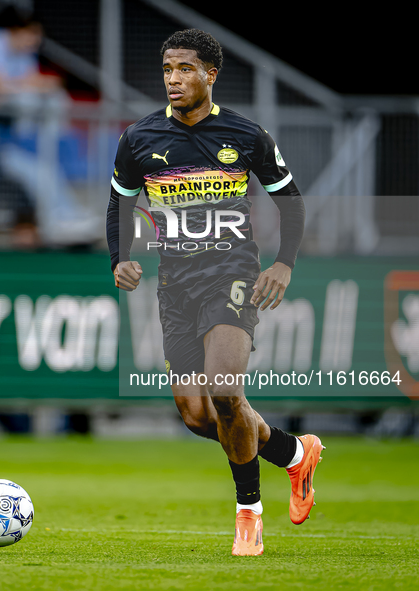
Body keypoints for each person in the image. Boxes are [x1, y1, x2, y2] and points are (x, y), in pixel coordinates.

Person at [106, 29, 324, 556]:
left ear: (210, 74)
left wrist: (283, 264)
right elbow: (119, 205)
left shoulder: (247, 136)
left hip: (232, 276)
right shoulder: (139, 139)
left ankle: (248, 514)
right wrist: (123, 257)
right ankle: (294, 454)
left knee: (226, 392)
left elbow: (291, 203)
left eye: (184, 69)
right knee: (199, 416)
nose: (174, 79)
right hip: (174, 286)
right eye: (167, 70)